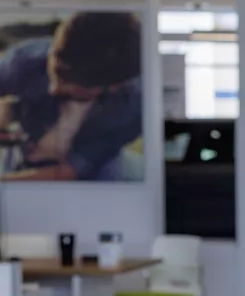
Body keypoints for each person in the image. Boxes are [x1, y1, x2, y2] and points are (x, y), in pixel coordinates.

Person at [0, 12, 143, 181]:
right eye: (55, 74)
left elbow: (69, 172)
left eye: (71, 85)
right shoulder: (24, 60)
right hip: (24, 149)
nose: (53, 90)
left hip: (97, 167)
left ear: (115, 86)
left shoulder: (133, 106)